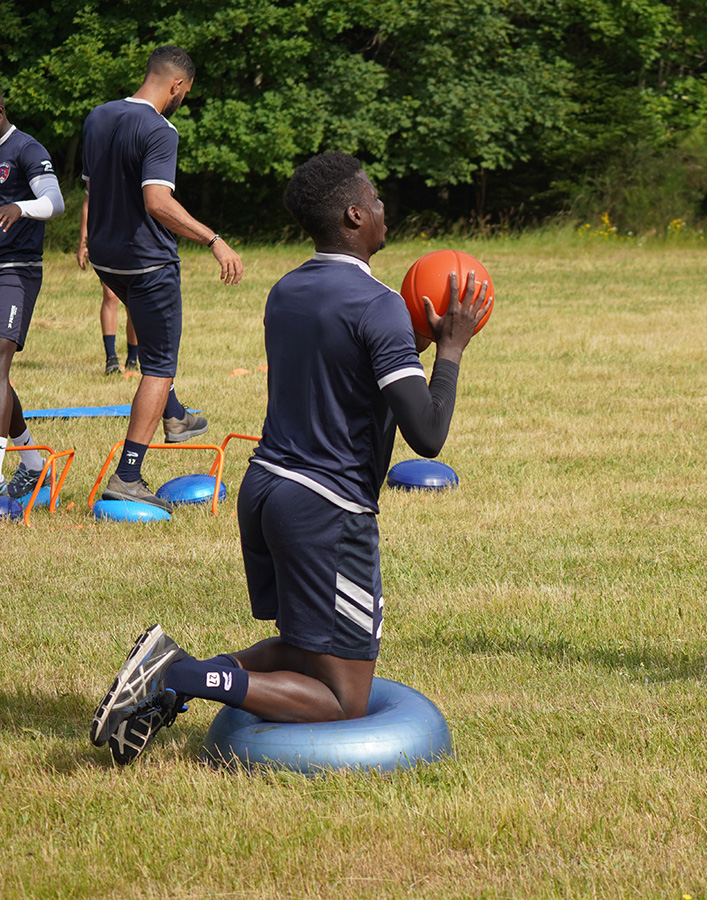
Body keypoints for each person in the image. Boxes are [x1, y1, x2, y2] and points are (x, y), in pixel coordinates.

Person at [89, 151, 491, 765]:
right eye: (375, 198)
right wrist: (452, 349)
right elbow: (428, 434)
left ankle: (170, 673)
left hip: (267, 488)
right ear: (354, 215)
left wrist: (412, 342)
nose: (383, 207)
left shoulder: (288, 289)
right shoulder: (378, 304)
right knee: (344, 699)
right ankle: (180, 676)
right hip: (325, 510)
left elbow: (346, 376)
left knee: (305, 649)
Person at [81, 45, 243, 511]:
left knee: (153, 344)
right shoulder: (159, 129)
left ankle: (176, 418)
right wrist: (214, 239)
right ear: (176, 85)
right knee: (159, 366)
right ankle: (128, 475)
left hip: (106, 257)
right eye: (184, 93)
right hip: (147, 262)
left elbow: (93, 189)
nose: (181, 100)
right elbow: (157, 202)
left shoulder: (98, 116)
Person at [0, 89, 65, 501]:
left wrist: (21, 207)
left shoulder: (26, 149)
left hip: (16, 269)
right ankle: (33, 462)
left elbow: (55, 202)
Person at [77, 191, 138, 375]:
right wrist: (83, 242)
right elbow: (88, 203)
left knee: (133, 299)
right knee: (110, 295)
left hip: (134, 238)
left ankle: (133, 359)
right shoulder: (100, 171)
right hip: (107, 237)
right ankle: (111, 358)